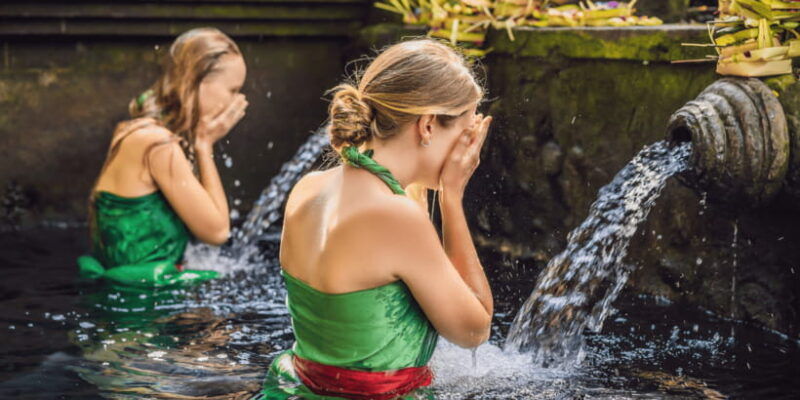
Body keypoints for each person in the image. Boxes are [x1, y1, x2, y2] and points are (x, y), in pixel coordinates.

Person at [260, 39, 494, 399]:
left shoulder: (309, 188)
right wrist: (452, 196)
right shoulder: (396, 216)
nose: (470, 147)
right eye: (465, 132)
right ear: (427, 126)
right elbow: (473, 332)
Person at [77, 27, 248, 287]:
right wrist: (204, 146)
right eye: (233, 90)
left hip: (132, 290)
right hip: (141, 299)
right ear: (198, 82)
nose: (239, 101)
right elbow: (218, 232)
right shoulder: (156, 144)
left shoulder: (136, 130)